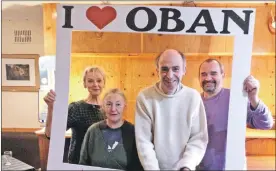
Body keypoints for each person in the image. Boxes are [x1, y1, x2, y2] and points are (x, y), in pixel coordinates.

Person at [134, 49, 209, 171]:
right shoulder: (144, 97)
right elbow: (144, 142)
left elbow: (198, 138)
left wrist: (187, 165)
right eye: (164, 69)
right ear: (157, 70)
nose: (169, 75)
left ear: (184, 70)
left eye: (175, 69)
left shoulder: (193, 97)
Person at [197, 58, 274, 170]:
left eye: (213, 73)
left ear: (223, 75)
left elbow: (266, 124)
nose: (208, 78)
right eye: (203, 74)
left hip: (231, 167)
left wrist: (253, 98)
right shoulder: (195, 101)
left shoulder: (235, 99)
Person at [43, 66, 106, 164]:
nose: (95, 84)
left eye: (99, 80)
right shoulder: (76, 108)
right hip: (79, 164)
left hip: (102, 164)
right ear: (84, 84)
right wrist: (51, 107)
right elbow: (51, 134)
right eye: (90, 81)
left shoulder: (110, 109)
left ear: (103, 83)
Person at [79, 88, 143, 171]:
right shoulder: (93, 131)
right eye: (109, 104)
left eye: (118, 104)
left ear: (125, 107)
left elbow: (138, 167)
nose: (113, 109)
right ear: (103, 106)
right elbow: (83, 164)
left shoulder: (133, 132)